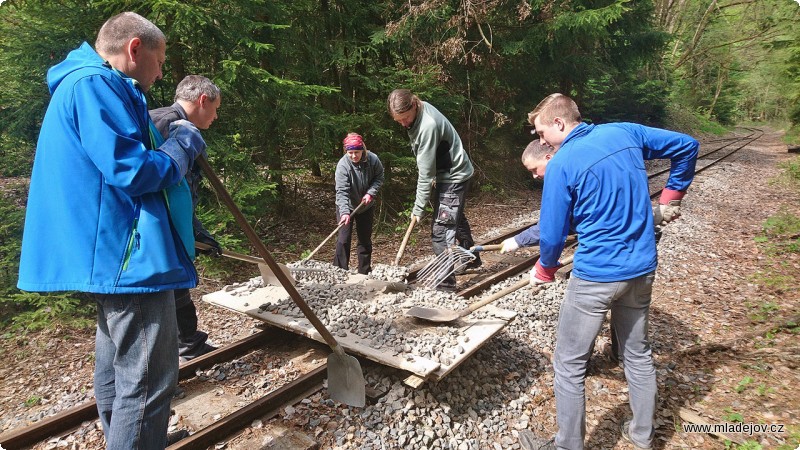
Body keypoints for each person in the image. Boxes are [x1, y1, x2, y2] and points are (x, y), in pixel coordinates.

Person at [17, 12, 206, 450]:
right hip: (125, 253)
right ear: (134, 48)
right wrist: (183, 145)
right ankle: (136, 438)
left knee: (118, 366)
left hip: (110, 253)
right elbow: (134, 170)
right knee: (149, 380)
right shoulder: (94, 86)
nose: (160, 74)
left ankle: (127, 437)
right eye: (158, 62)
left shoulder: (91, 84)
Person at [524, 93, 698, 450]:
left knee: (569, 364)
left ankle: (567, 445)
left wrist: (544, 269)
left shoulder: (562, 163)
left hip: (596, 276)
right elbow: (687, 146)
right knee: (637, 353)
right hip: (642, 269)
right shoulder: (625, 132)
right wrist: (671, 195)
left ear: (559, 123)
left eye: (542, 132)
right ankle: (642, 436)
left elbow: (553, 232)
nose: (541, 141)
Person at [150, 75, 222, 361]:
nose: (216, 116)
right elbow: (163, 185)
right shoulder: (170, 126)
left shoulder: (171, 124)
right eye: (215, 109)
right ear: (202, 100)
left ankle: (189, 345)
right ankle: (165, 365)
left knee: (178, 290)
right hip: (159, 231)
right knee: (164, 298)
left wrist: (196, 231)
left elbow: (181, 193)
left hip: (170, 227)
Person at [387, 89, 480, 291]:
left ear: (414, 105)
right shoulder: (418, 112)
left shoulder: (427, 125)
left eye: (405, 118)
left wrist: (418, 208)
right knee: (454, 217)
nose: (403, 123)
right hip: (449, 172)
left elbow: (425, 173)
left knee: (441, 230)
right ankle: (471, 257)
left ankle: (445, 286)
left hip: (454, 176)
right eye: (398, 120)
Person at [332, 133, 385, 274]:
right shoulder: (343, 166)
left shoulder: (373, 160)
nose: (354, 156)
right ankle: (339, 271)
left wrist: (371, 193)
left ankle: (364, 271)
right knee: (343, 239)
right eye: (350, 153)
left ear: (363, 149)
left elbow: (379, 177)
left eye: (357, 152)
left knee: (364, 239)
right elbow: (342, 191)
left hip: (365, 205)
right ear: (346, 152)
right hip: (346, 205)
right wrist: (344, 212)